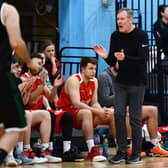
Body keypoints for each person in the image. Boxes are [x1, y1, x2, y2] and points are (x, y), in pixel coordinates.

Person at [94, 8, 148, 164]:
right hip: (121, 82)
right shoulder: (115, 36)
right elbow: (113, 60)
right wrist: (106, 57)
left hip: (137, 82)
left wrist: (126, 58)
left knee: (135, 118)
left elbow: (142, 59)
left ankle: (136, 153)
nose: (119, 22)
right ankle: (122, 151)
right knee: (118, 115)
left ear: (130, 20)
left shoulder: (141, 35)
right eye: (118, 19)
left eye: (122, 19)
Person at [21, 53, 84, 162]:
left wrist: (55, 87)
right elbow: (28, 101)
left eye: (41, 64)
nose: (40, 66)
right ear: (29, 64)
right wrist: (41, 86)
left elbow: (50, 97)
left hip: (39, 113)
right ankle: (41, 149)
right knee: (49, 114)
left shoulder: (39, 79)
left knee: (65, 116)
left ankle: (57, 150)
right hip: (27, 112)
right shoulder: (24, 79)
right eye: (38, 63)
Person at [98, 66, 168, 157]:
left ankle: (155, 146)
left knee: (152, 110)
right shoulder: (104, 76)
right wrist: (123, 96)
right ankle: (129, 146)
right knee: (127, 111)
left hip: (127, 105)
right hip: (111, 108)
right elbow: (105, 100)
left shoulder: (125, 75)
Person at [0, 0, 38, 164]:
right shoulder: (7, 10)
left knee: (2, 126)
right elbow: (16, 42)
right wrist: (29, 62)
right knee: (17, 127)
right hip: (1, 75)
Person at [56, 57, 113, 162]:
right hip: (66, 114)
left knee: (111, 113)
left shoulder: (94, 81)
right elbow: (76, 104)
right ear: (83, 69)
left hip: (83, 113)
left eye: (95, 69)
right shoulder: (74, 80)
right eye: (90, 68)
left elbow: (94, 102)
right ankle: (92, 150)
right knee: (87, 113)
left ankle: (122, 150)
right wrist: (97, 111)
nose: (93, 72)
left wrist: (101, 111)